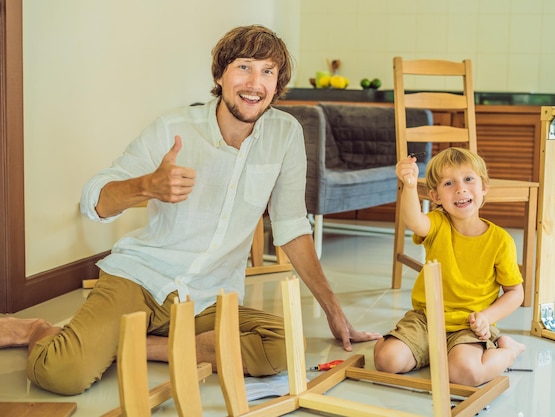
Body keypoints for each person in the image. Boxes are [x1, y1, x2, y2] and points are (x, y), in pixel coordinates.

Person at [0, 24, 380, 396]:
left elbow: (292, 227)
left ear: (277, 85)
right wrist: (146, 186)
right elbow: (94, 201)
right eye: (243, 67)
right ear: (220, 74)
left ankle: (142, 345)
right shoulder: (173, 127)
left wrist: (333, 310)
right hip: (142, 281)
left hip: (210, 298)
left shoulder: (286, 134)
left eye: (268, 72)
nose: (254, 83)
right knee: (61, 373)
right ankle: (35, 329)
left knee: (283, 345)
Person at [373, 147, 526, 387]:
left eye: (468, 179)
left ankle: (510, 351)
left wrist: (487, 317)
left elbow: (515, 293)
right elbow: (414, 220)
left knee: (464, 374)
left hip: (469, 324)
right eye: (448, 183)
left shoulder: (501, 240)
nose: (460, 189)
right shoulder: (437, 224)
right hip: (426, 319)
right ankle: (423, 348)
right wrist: (410, 185)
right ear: (435, 197)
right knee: (387, 360)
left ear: (484, 187)